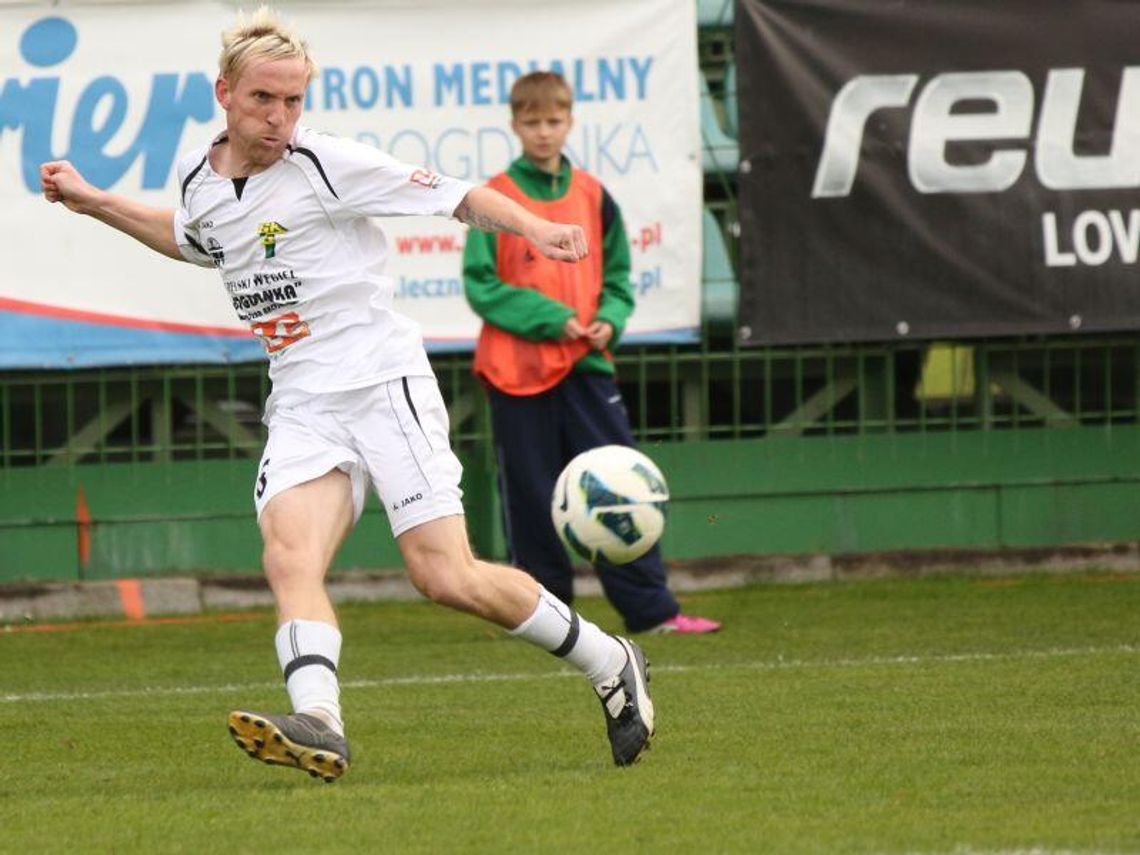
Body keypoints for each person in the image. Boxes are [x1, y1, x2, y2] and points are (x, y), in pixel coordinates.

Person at [39, 7, 654, 779]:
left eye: (294, 100)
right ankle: (320, 721)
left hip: (381, 382)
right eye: (264, 99)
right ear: (224, 92)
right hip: (303, 400)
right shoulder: (199, 177)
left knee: (445, 576)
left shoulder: (323, 161)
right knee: (288, 555)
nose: (280, 117)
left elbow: (456, 196)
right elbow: (194, 238)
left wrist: (535, 227)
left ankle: (608, 658)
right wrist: (96, 201)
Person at [462, 72, 721, 636]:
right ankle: (544, 619)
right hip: (517, 373)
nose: (543, 131)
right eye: (532, 121)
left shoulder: (594, 195)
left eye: (553, 120)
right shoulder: (495, 199)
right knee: (531, 499)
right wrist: (553, 317)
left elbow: (619, 277)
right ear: (514, 125)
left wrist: (612, 318)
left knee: (622, 487)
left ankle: (652, 612)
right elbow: (481, 286)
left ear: (570, 121)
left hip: (586, 367)